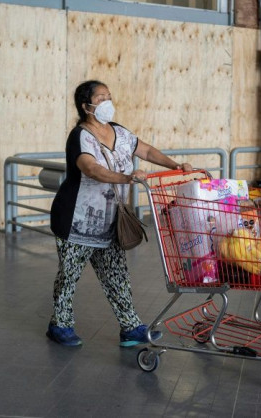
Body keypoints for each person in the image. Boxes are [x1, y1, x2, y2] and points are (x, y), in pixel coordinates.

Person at [47, 80, 193, 347]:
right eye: (101, 98)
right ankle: (60, 324)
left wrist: (175, 165)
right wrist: (127, 177)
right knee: (69, 274)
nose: (107, 102)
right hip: (77, 220)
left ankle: (130, 327)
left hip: (111, 221)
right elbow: (92, 169)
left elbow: (145, 150)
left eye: (109, 96)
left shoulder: (119, 132)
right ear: (86, 106)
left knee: (116, 275)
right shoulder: (80, 137)